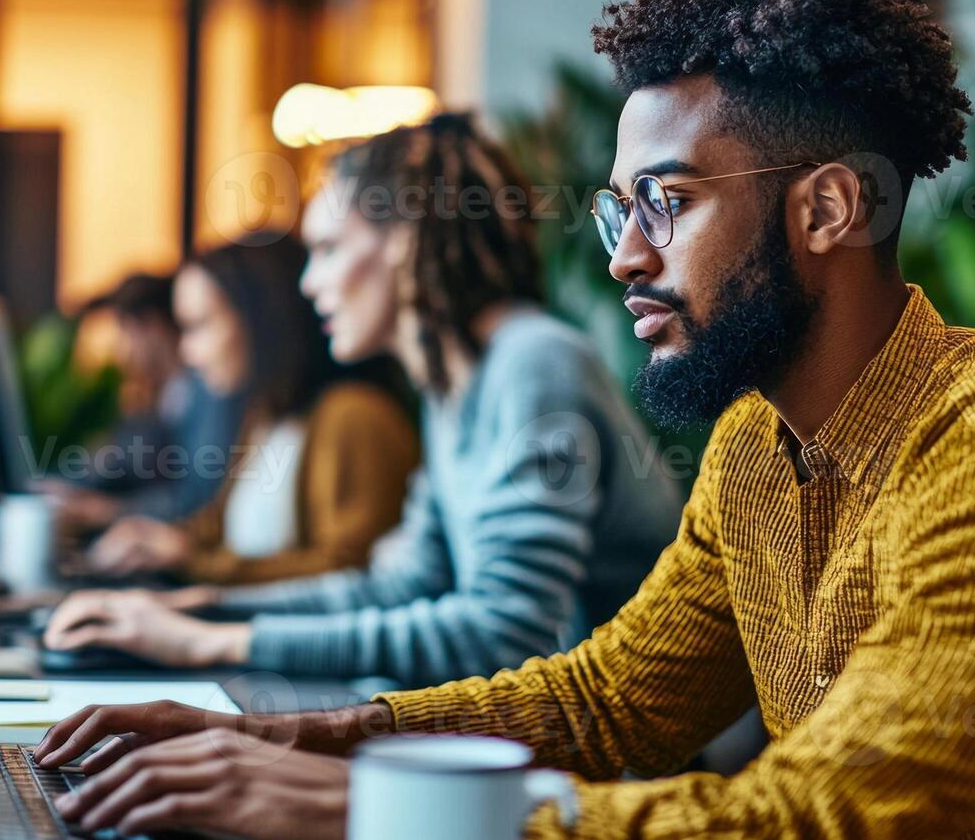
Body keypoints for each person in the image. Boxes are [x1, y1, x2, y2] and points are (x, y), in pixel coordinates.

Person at [31, 0, 975, 840]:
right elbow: (607, 705)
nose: (624, 255)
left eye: (668, 200)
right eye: (619, 205)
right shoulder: (758, 449)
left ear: (827, 206)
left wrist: (363, 804)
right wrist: (291, 738)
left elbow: (807, 839)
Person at [44, 114, 685, 686]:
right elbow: (400, 586)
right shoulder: (453, 385)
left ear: (404, 239)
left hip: (637, 763)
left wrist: (214, 642)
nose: (307, 281)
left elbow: (502, 631)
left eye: (326, 248)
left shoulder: (534, 359)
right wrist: (200, 609)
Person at [74, 235, 420, 601]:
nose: (186, 352)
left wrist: (193, 562)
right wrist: (158, 539)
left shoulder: (354, 415)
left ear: (258, 319)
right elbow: (217, 528)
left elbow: (348, 572)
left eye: (199, 325)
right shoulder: (267, 416)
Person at [45, 272, 243, 528]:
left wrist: (103, 511)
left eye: (126, 332)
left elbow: (196, 496)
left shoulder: (212, 390)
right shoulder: (157, 399)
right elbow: (115, 459)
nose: (122, 350)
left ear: (153, 326)